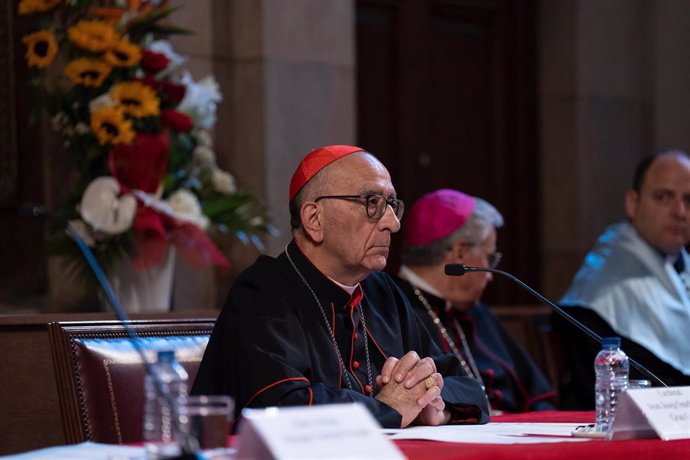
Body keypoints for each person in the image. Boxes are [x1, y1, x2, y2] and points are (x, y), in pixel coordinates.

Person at [192, 145, 489, 428]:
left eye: (391, 205)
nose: (392, 224)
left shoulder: (383, 292)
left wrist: (436, 406)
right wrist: (389, 408)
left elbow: (469, 387)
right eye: (372, 203)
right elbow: (283, 409)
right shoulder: (263, 292)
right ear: (314, 219)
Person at [394, 189, 556, 413]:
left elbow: (538, 398)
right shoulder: (392, 309)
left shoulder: (475, 311)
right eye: (489, 257)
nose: (490, 275)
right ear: (460, 253)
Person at [556, 149, 690, 409]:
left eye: (689, 200)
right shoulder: (605, 282)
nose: (680, 212)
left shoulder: (680, 263)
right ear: (633, 202)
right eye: (663, 197)